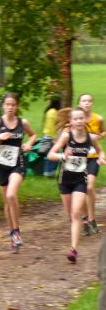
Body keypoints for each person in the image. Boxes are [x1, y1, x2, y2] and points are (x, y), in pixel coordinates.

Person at [47, 107, 106, 263]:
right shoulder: (67, 137)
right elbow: (50, 154)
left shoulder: (90, 138)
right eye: (76, 119)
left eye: (81, 118)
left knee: (75, 213)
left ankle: (73, 250)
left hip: (80, 180)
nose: (79, 121)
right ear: (71, 121)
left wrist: (101, 158)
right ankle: (82, 221)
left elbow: (100, 152)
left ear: (85, 120)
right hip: (65, 181)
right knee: (71, 216)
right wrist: (62, 155)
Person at [0, 93, 37, 253]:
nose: (10, 107)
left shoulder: (22, 122)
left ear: (17, 106)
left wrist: (28, 143)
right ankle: (12, 233)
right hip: (2, 165)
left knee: (12, 195)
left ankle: (17, 230)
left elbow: (33, 135)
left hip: (17, 164)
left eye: (13, 105)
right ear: (3, 106)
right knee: (7, 201)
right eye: (8, 105)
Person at [78, 94, 105, 235]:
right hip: (78, 159)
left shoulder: (98, 118)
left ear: (92, 104)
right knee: (80, 189)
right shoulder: (76, 119)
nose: (86, 103)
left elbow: (103, 131)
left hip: (93, 157)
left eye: (89, 101)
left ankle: (92, 218)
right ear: (79, 103)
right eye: (84, 101)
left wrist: (98, 137)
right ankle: (85, 219)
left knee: (89, 186)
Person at [42, 98, 62, 177]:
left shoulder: (51, 111)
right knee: (53, 156)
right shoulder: (52, 112)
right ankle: (48, 173)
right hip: (51, 137)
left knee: (53, 156)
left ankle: (50, 173)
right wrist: (54, 138)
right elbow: (50, 127)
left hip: (50, 136)